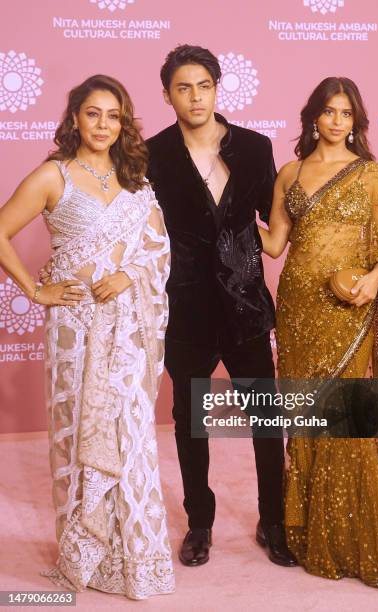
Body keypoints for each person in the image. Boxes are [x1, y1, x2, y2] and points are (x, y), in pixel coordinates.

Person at [0, 75, 174, 599]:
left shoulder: (137, 180)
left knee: (132, 434)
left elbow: (159, 250)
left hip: (128, 331)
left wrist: (131, 275)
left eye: (114, 116)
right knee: (82, 434)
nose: (103, 125)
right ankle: (89, 554)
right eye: (93, 114)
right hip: (75, 331)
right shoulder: (53, 175)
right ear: (74, 117)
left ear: (124, 123)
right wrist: (35, 290)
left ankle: (133, 556)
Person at [259, 77, 378, 588]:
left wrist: (374, 281)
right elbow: (274, 245)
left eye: (346, 114)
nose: (337, 121)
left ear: (356, 122)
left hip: (347, 304)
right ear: (313, 115)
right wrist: (224, 217)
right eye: (329, 111)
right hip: (297, 306)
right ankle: (311, 528)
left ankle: (357, 530)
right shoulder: (290, 172)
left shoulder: (372, 175)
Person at [146, 45, 296, 567]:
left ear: (217, 87)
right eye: (183, 87)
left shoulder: (254, 148)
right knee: (190, 422)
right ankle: (200, 524)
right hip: (184, 308)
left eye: (203, 85)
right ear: (167, 94)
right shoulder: (152, 154)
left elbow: (273, 223)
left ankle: (273, 521)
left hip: (246, 304)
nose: (195, 96)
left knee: (265, 418)